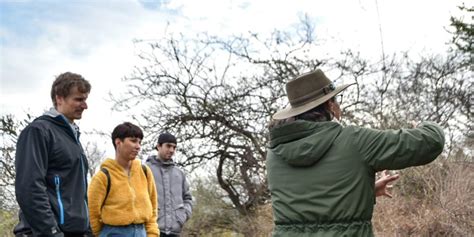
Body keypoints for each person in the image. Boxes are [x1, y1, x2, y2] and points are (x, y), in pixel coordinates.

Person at [266, 69, 445, 236]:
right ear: (330, 104)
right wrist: (424, 126)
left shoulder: (274, 153)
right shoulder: (354, 140)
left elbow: (308, 203)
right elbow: (431, 142)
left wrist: (365, 191)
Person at [14, 72, 92, 237]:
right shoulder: (38, 131)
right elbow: (29, 188)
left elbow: (77, 191)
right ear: (59, 98)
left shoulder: (73, 137)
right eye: (78, 99)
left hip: (75, 232)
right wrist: (51, 232)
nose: (85, 105)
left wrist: (87, 228)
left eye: (85, 99)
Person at [87, 122, 159, 237]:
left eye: (140, 142)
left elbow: (153, 208)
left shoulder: (145, 171)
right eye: (133, 141)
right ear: (118, 142)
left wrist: (152, 234)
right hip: (114, 232)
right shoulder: (103, 176)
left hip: (142, 232)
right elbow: (92, 213)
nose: (138, 146)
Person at [146, 133, 193, 237]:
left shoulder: (179, 173)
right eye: (168, 146)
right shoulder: (145, 170)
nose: (172, 150)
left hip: (175, 232)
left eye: (174, 147)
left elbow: (188, 198)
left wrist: (182, 216)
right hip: (151, 231)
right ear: (158, 146)